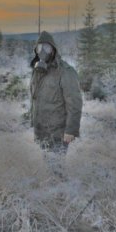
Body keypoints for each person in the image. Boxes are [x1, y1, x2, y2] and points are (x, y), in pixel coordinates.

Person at [29, 31, 82, 178]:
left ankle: (61, 195)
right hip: (42, 131)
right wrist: (32, 121)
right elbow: (35, 98)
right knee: (48, 166)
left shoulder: (66, 72)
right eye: (39, 48)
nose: (43, 51)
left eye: (46, 48)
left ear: (53, 49)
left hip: (58, 132)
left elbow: (75, 103)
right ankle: (54, 193)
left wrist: (71, 130)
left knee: (56, 169)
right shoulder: (38, 72)